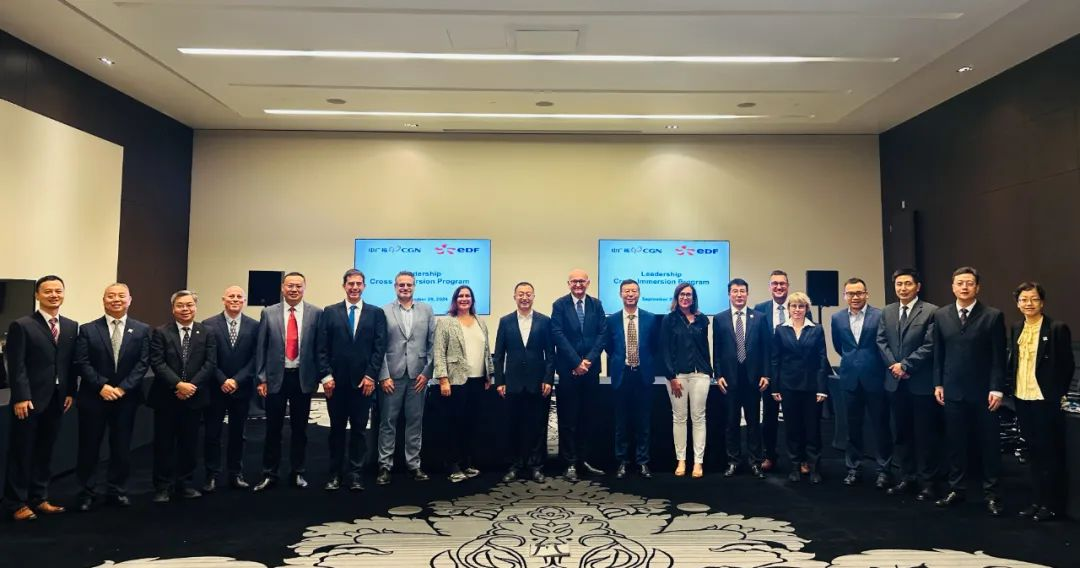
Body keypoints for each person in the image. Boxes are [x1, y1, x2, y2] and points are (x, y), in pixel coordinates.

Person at [932, 266, 1006, 516]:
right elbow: (938, 353)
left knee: (989, 445)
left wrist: (997, 388)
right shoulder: (941, 315)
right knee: (956, 443)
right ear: (952, 287)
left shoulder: (992, 316)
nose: (964, 287)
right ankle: (957, 489)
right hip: (952, 390)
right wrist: (938, 383)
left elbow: (998, 357)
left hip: (985, 393)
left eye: (969, 283)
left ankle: (992, 493)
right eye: (960, 283)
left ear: (977, 287)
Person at [3, 275, 77, 521]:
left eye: (58, 290)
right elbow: (16, 365)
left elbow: (69, 364)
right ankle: (16, 503)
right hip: (29, 401)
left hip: (57, 399)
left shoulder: (70, 326)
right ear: (37, 295)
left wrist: (70, 392)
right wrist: (21, 397)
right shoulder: (22, 325)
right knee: (21, 452)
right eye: (48, 291)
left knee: (45, 451)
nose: (54, 295)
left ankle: (39, 497)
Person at [74, 283, 150, 511]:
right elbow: (82, 362)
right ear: (103, 300)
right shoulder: (87, 329)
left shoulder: (142, 330)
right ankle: (87, 492)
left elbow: (143, 363)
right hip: (94, 398)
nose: (116, 299)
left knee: (121, 447)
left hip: (126, 399)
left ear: (130, 300)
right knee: (89, 447)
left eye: (121, 296)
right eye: (111, 296)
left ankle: (117, 490)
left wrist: (123, 388)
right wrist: (102, 386)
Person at [1007, 282, 1074, 522]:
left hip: (1046, 400)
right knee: (1033, 452)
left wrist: (1058, 393)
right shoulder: (1016, 328)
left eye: (1034, 299)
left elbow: (1067, 365)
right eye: (1024, 299)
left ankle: (1053, 505)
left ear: (1042, 302)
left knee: (1050, 454)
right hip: (1022, 398)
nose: (1029, 304)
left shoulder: (1056, 328)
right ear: (1018, 304)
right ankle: (1037, 501)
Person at [317, 268, 388, 491]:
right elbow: (321, 348)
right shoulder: (330, 312)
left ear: (364, 286)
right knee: (336, 430)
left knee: (359, 431)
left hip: (363, 384)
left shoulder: (376, 313)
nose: (355, 287)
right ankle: (335, 474)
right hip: (335, 384)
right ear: (344, 286)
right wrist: (326, 376)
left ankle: (356, 474)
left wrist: (371, 376)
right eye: (351, 284)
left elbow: (379, 348)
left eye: (358, 284)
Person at [253, 272, 323, 492]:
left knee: (300, 429)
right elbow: (261, 347)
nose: (294, 289)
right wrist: (261, 378)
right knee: (272, 429)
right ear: (283, 288)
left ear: (304, 288)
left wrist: (319, 377)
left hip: (302, 378)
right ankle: (269, 473)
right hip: (276, 378)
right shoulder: (269, 313)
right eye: (290, 285)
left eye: (298, 286)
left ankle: (298, 472)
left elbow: (319, 348)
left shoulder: (316, 313)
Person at [876, 268, 940, 501]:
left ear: (918, 286)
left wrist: (905, 365)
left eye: (908, 284)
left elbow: (930, 345)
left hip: (920, 383)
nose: (903, 288)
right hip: (895, 384)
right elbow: (881, 341)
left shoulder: (931, 311)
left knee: (925, 435)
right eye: (899, 284)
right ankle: (907, 477)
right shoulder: (887, 311)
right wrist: (894, 365)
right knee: (902, 434)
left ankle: (928, 482)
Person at [149, 290, 218, 503]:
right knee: (164, 444)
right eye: (180, 305)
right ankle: (162, 486)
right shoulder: (161, 332)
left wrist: (191, 386)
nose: (185, 309)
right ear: (173, 309)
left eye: (189, 305)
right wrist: (178, 385)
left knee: (189, 444)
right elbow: (157, 362)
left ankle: (185, 483)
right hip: (166, 397)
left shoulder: (207, 332)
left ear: (195, 307)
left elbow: (210, 363)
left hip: (195, 398)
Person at [376, 271, 436, 485]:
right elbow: (379, 346)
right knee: (387, 422)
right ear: (395, 287)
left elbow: (433, 344)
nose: (405, 288)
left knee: (415, 422)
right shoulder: (383, 311)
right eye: (401, 284)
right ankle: (385, 466)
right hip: (391, 377)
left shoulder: (427, 310)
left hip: (418, 377)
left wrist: (427, 373)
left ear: (414, 286)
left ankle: (414, 465)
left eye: (409, 284)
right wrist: (383, 375)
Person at [831, 277, 891, 489]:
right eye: (850, 293)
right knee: (852, 427)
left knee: (880, 426)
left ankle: (884, 470)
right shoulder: (837, 318)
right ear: (844, 296)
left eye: (859, 293)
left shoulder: (880, 315)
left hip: (875, 378)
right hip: (849, 379)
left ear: (867, 294)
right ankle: (853, 468)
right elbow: (839, 346)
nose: (855, 297)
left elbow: (884, 344)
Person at [493, 282, 556, 483]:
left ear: (533, 297)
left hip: (538, 384)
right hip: (512, 384)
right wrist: (500, 382)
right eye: (521, 294)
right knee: (513, 426)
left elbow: (550, 354)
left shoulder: (544, 321)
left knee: (538, 427)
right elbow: (498, 355)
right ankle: (515, 465)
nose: (524, 297)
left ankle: (536, 466)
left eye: (528, 294)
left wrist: (548, 379)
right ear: (514, 297)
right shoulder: (505, 321)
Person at [551, 269, 609, 482]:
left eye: (582, 281)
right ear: (568, 283)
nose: (578, 284)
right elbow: (557, 334)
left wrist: (588, 361)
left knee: (587, 417)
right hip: (569, 371)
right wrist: (576, 362)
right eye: (574, 281)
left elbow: (603, 334)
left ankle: (583, 460)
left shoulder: (596, 305)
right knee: (568, 418)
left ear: (588, 283)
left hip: (590, 371)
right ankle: (569, 463)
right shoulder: (559, 305)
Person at [432, 285, 494, 482]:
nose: (464, 299)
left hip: (478, 380)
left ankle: (466, 463)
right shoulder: (446, 322)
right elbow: (439, 352)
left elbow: (486, 351)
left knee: (471, 424)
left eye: (468, 296)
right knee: (454, 424)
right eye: (461, 296)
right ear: (455, 300)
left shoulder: (480, 322)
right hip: (455, 382)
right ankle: (452, 465)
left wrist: (489, 375)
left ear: (472, 300)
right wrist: (443, 379)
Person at [202, 285, 259, 492]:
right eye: (231, 296)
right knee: (212, 434)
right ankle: (211, 475)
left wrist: (236, 380)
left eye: (239, 296)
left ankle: (236, 473)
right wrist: (222, 380)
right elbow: (207, 358)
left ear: (244, 301)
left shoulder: (254, 326)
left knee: (238, 434)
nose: (235, 299)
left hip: (241, 389)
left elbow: (256, 357)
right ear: (223, 299)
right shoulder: (208, 324)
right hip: (216, 388)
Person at [714, 278, 770, 479]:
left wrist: (766, 374)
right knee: (731, 422)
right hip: (729, 379)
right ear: (729, 294)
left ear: (747, 293)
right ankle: (733, 461)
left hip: (753, 379)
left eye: (742, 291)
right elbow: (717, 349)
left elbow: (766, 349)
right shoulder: (720, 318)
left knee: (754, 422)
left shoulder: (760, 318)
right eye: (735, 291)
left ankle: (755, 462)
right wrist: (718, 375)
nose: (739, 295)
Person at [770, 291, 829, 484]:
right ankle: (795, 466)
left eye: (801, 306)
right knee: (792, 429)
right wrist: (775, 387)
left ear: (806, 309)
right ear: (788, 309)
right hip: (788, 387)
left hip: (812, 387)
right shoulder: (780, 330)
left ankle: (814, 468)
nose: (797, 309)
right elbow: (775, 360)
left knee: (813, 429)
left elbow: (822, 360)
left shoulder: (816, 329)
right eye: (793, 306)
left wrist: (822, 388)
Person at [753, 269, 805, 472]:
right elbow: (757, 344)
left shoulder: (799, 307)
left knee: (796, 417)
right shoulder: (760, 309)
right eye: (775, 283)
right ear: (769, 287)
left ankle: (799, 458)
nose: (779, 287)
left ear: (788, 286)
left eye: (782, 283)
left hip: (794, 373)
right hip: (769, 373)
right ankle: (769, 456)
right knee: (769, 418)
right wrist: (763, 372)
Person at [661, 283, 713, 479]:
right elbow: (665, 350)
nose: (685, 298)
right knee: (679, 418)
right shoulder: (669, 320)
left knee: (699, 418)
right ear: (677, 297)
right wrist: (671, 376)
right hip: (678, 376)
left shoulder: (702, 320)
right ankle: (681, 460)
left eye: (689, 295)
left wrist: (709, 371)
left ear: (693, 298)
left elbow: (705, 347)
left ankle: (698, 462)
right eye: (682, 294)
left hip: (700, 375)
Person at [606, 279, 657, 479]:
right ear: (621, 294)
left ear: (639, 294)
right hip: (622, 374)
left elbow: (654, 346)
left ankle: (643, 462)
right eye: (626, 291)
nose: (630, 294)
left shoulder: (650, 318)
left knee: (643, 422)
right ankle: (622, 462)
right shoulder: (611, 320)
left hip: (643, 375)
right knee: (621, 423)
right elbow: (609, 347)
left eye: (634, 291)